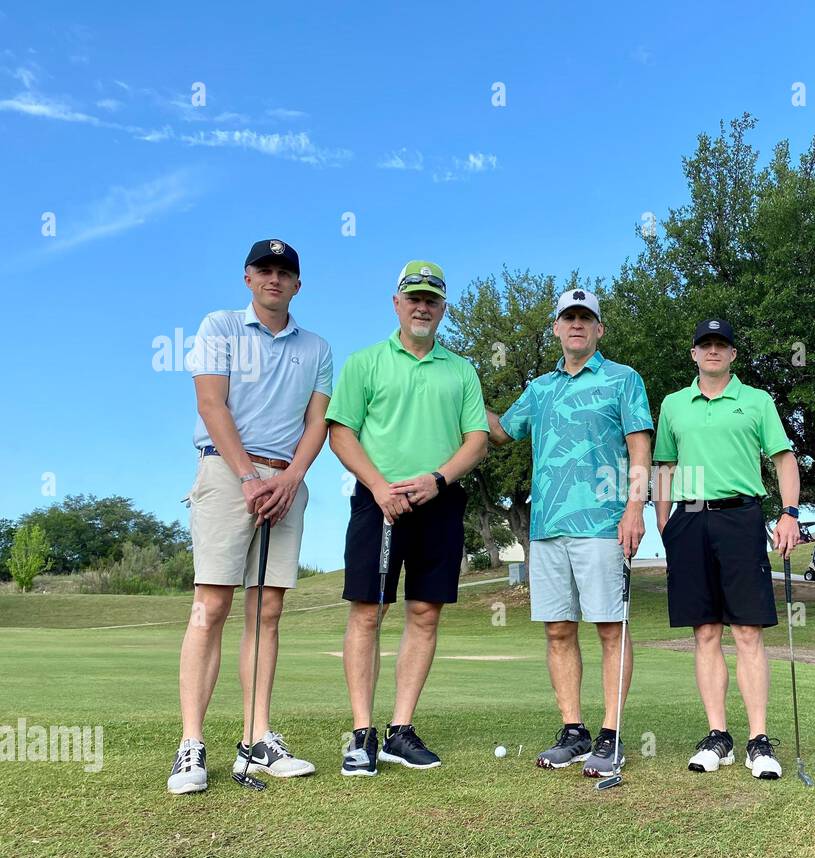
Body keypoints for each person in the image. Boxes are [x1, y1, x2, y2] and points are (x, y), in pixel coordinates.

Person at [168, 239, 332, 795]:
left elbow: (317, 424)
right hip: (225, 474)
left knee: (266, 612)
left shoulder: (317, 347)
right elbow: (211, 404)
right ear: (248, 277)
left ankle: (257, 737)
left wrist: (288, 479)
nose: (274, 279)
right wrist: (247, 476)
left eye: (285, 272)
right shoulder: (219, 326)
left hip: (286, 482)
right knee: (211, 606)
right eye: (265, 269)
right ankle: (191, 745)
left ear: (298, 284)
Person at [326, 261, 489, 776]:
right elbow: (341, 433)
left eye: (432, 300)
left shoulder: (460, 370)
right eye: (413, 297)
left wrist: (437, 480)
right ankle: (361, 734)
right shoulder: (366, 362)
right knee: (368, 612)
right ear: (396, 303)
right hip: (379, 501)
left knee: (425, 613)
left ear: (443, 308)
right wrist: (378, 486)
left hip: (438, 502)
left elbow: (477, 440)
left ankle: (400, 730)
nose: (422, 306)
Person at [486, 289, 653, 778]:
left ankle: (611, 735)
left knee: (608, 629)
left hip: (604, 525)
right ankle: (574, 732)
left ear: (598, 329)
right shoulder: (539, 389)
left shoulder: (624, 380)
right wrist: (463, 393)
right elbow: (500, 431)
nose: (576, 325)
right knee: (558, 629)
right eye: (568, 318)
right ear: (556, 329)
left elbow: (640, 449)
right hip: (547, 529)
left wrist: (634, 509)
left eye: (586, 318)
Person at [652, 319, 802, 780]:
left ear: (733, 354)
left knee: (748, 632)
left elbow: (783, 459)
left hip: (741, 516)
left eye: (721, 345)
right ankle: (719, 736)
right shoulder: (674, 404)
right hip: (690, 517)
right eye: (705, 345)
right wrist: (664, 524)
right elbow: (664, 465)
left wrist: (790, 513)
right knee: (704, 632)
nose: (712, 351)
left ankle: (759, 740)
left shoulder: (756, 401)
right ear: (693, 353)